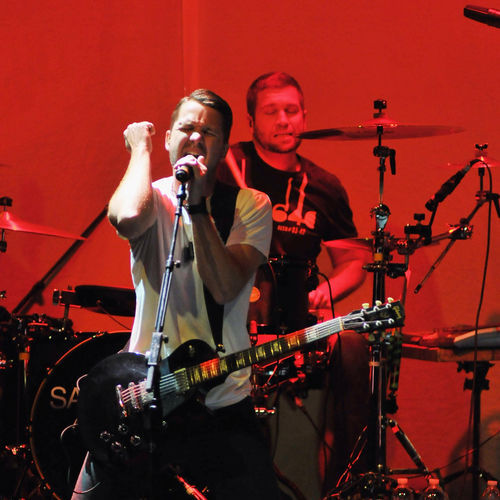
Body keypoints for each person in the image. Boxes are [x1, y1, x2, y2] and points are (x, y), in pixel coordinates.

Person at [72, 89, 281, 499]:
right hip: (146, 394)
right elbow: (127, 217)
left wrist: (199, 208)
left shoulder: (250, 205)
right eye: (186, 128)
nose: (196, 137)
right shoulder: (152, 198)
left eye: (209, 132)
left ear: (224, 148)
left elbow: (224, 286)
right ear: (169, 139)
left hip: (220, 398)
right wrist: (139, 149)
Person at [217, 72, 371, 494]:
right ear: (252, 120)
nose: (283, 120)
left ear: (305, 116)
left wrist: (326, 292)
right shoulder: (228, 168)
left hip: (296, 321)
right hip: (231, 313)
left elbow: (354, 260)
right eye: (272, 112)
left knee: (356, 348)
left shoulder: (324, 186)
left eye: (291, 110)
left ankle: (345, 482)